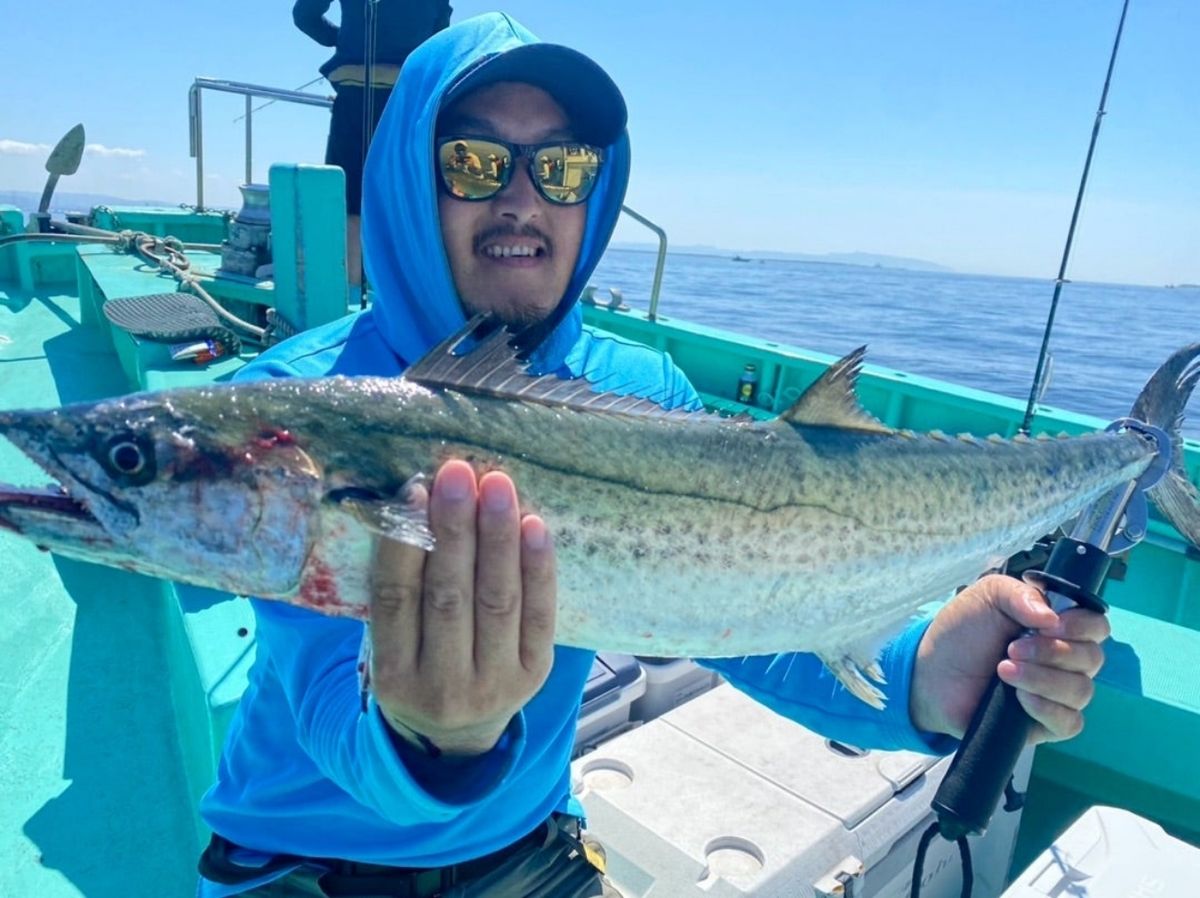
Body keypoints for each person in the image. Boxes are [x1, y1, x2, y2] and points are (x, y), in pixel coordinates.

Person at [197, 13, 1110, 897]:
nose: (522, 200)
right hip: (300, 868)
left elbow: (735, 619)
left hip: (531, 853)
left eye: (562, 168)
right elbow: (324, 698)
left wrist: (921, 681)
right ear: (405, 179)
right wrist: (430, 737)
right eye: (471, 163)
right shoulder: (311, 407)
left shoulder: (638, 390)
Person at [293, 0, 453, 287]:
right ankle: (400, 295)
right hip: (410, 98)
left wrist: (339, 38)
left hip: (355, 94)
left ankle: (351, 289)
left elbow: (305, 15)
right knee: (407, 198)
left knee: (351, 200)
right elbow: (441, 34)